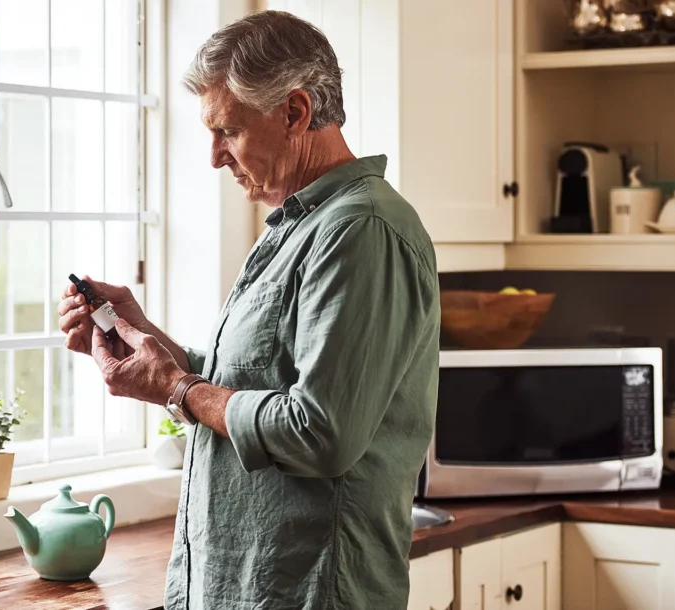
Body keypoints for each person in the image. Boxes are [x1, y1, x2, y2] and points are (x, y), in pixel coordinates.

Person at [57, 10, 440, 610]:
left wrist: (178, 388)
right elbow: (248, 383)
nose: (213, 157)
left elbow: (319, 433)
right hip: (241, 586)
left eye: (228, 131)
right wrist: (142, 336)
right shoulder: (295, 226)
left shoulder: (359, 231)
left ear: (294, 112)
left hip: (309, 593)